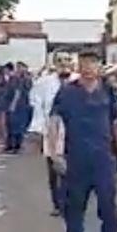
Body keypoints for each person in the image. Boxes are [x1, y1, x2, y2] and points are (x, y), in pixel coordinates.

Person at [48, 50, 117, 232]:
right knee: (74, 217)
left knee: (111, 217)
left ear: (99, 66)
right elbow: (53, 122)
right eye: (83, 64)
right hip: (76, 162)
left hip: (103, 161)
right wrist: (55, 154)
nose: (88, 68)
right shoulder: (67, 92)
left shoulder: (108, 92)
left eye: (92, 64)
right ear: (78, 66)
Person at [34, 58, 72, 217]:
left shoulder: (76, 83)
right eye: (61, 64)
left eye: (67, 64)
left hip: (72, 134)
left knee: (70, 172)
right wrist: (39, 129)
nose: (64, 67)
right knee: (53, 171)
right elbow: (38, 105)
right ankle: (57, 204)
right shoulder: (45, 83)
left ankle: (68, 203)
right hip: (51, 131)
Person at [5, 62, 32, 153]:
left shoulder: (21, 79)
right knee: (12, 126)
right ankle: (12, 145)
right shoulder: (17, 79)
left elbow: (18, 92)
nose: (18, 69)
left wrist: (13, 104)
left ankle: (15, 146)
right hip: (20, 105)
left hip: (20, 105)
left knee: (16, 126)